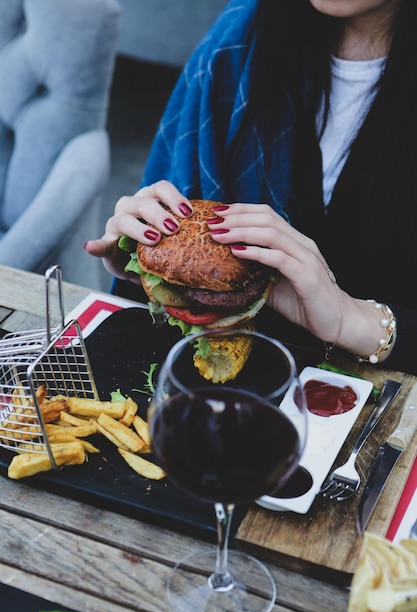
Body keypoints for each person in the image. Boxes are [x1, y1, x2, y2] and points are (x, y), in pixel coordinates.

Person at [85, 0, 417, 374]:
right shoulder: (236, 42)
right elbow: (153, 333)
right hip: (223, 394)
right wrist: (151, 272)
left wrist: (356, 321)